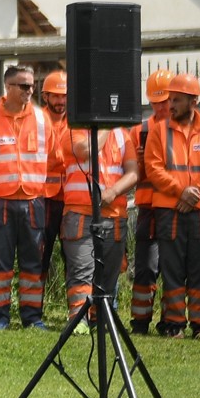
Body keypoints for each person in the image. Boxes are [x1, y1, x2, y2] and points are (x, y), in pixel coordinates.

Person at [142, 72, 200, 339]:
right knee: (173, 269)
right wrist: (182, 191)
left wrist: (196, 192)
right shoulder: (158, 130)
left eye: (177, 100)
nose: (171, 105)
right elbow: (153, 168)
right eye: (170, 99)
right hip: (170, 209)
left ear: (194, 101)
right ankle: (174, 325)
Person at [0, 64, 53, 329]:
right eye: (23, 86)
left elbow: (53, 159)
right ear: (7, 88)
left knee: (33, 262)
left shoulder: (43, 119)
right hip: (1, 203)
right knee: (0, 264)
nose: (30, 90)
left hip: (34, 201)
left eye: (32, 85)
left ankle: (32, 318)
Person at [60, 112, 138, 324]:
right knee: (82, 271)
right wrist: (105, 125)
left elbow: (133, 173)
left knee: (108, 275)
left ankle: (99, 320)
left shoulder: (123, 135)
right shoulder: (72, 130)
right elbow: (86, 151)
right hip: (80, 214)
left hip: (114, 215)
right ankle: (78, 321)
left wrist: (112, 192)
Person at [129, 70, 174, 336]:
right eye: (156, 101)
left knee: (172, 269)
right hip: (148, 208)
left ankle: (171, 322)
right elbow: (134, 173)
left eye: (165, 100)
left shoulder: (183, 130)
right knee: (145, 268)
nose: (161, 107)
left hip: (174, 207)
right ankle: (139, 323)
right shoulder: (140, 130)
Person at [37, 70, 72, 281]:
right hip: (45, 198)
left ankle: (77, 311)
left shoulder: (77, 120)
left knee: (74, 256)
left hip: (71, 199)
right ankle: (34, 310)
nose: (60, 100)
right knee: (41, 254)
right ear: (46, 96)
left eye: (65, 95)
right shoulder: (37, 120)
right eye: (56, 96)